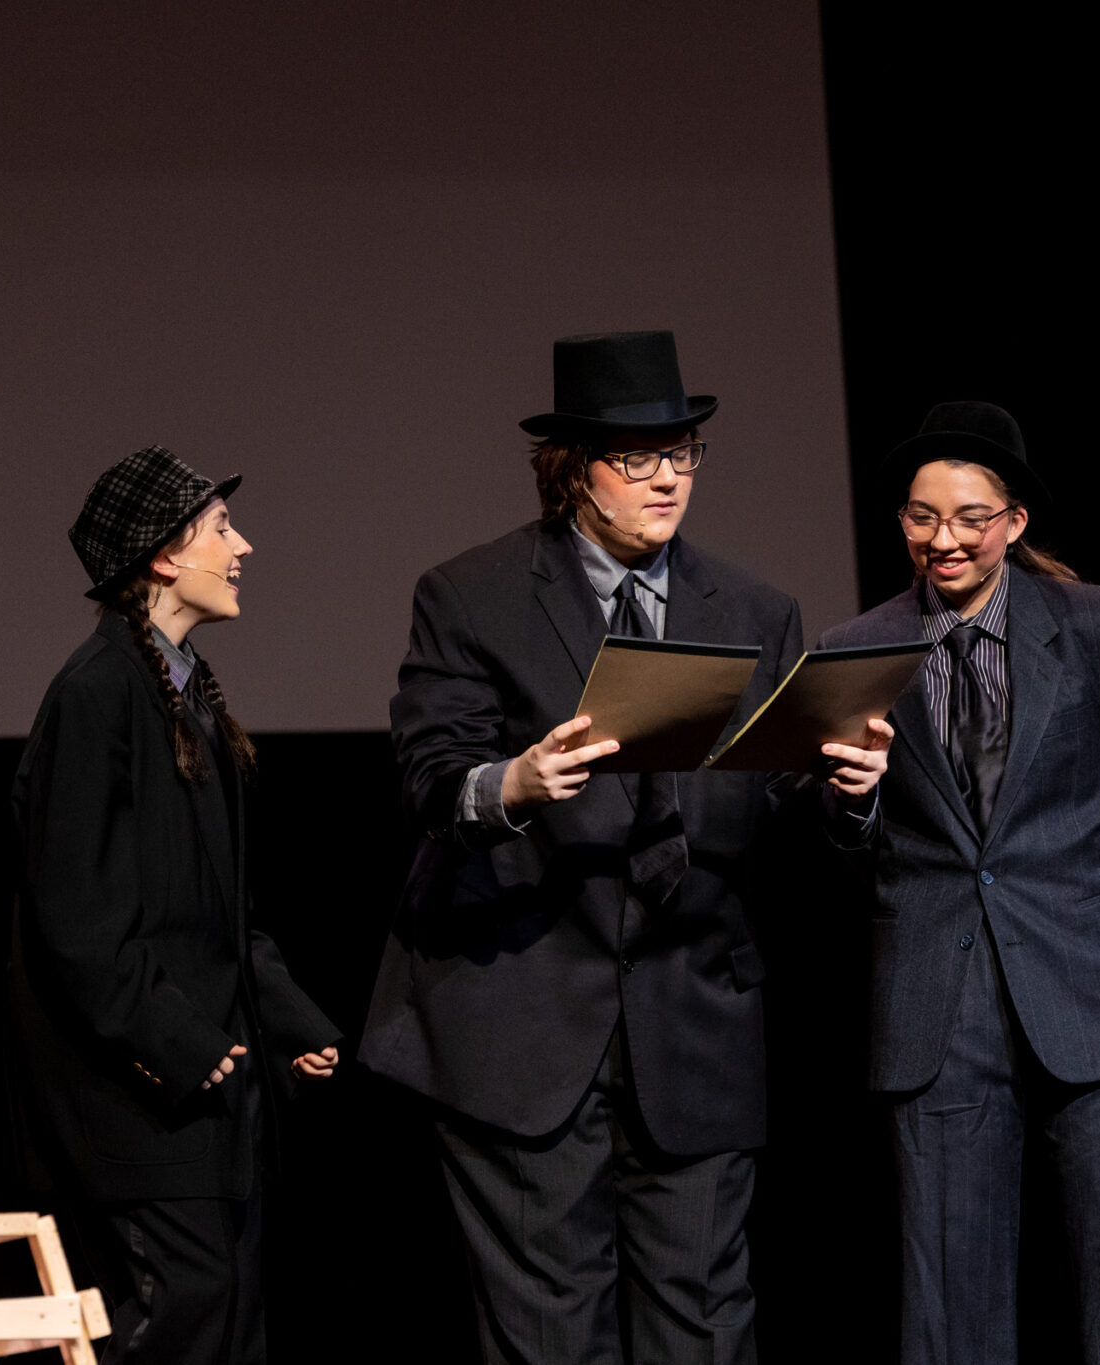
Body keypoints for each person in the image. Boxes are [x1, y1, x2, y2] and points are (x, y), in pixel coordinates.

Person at [359, 331, 885, 1364]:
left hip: (692, 1022)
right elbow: (430, 780)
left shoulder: (752, 610)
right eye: (636, 458)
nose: (665, 479)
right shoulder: (474, 595)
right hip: (521, 1022)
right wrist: (511, 783)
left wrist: (846, 792)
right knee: (552, 1336)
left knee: (702, 1326)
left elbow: (783, 796)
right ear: (570, 471)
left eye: (681, 453)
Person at [816, 402, 1100, 1363]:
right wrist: (854, 799)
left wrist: (1092, 909)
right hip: (940, 1006)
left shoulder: (1099, 623)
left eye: (967, 517)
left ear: (1016, 520)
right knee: (950, 1309)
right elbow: (831, 832)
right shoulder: (856, 647)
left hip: (1093, 991)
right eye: (920, 517)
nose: (941, 540)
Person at [9, 446, 342, 1364]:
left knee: (230, 1324)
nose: (244, 545)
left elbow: (223, 912)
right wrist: (188, 1048)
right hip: (141, 1096)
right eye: (221, 529)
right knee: (181, 1324)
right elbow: (75, 923)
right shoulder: (98, 691)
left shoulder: (185, 693)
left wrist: (284, 1021)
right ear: (163, 555)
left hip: (208, 1095)